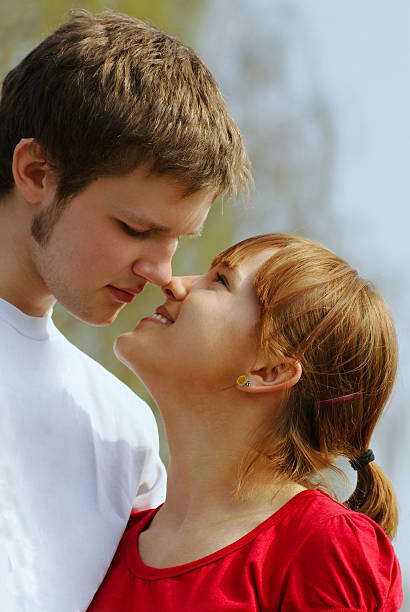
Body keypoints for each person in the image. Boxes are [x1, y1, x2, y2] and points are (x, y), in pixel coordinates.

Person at [0, 9, 250, 612]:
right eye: (135, 227)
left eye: (178, 243)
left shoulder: (126, 433)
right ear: (36, 172)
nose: (162, 274)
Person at [89, 233, 403, 611]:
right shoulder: (109, 537)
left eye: (220, 281)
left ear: (269, 371)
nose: (173, 282)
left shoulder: (322, 547)